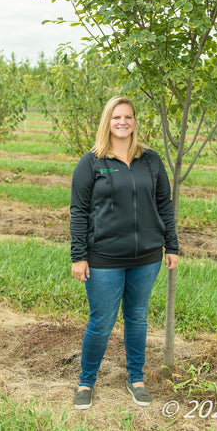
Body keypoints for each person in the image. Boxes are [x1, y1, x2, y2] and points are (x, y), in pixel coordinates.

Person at [70, 95, 179, 410]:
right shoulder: (91, 162)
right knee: (101, 320)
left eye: (128, 117)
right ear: (108, 121)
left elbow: (164, 205)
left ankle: (137, 379)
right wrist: (79, 256)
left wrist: (171, 245)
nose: (122, 122)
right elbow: (78, 211)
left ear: (135, 121)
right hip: (103, 258)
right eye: (116, 117)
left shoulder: (150, 160)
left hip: (147, 256)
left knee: (137, 317)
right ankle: (86, 381)